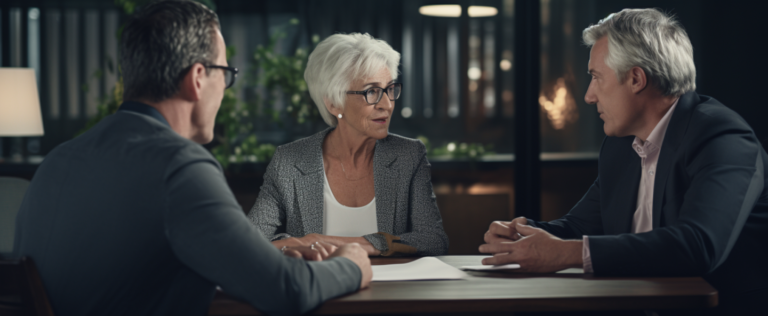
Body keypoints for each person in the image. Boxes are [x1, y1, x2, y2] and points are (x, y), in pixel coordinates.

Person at [13, 1, 371, 315]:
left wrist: (260, 261)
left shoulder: (57, 161)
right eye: (226, 74)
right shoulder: (178, 167)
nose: (225, 91)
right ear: (198, 78)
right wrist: (351, 263)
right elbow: (286, 290)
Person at [480, 8, 767, 314]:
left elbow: (698, 245)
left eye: (596, 77)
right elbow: (581, 227)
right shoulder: (620, 145)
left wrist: (565, 253)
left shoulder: (722, 137)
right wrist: (523, 235)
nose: (589, 96)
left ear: (635, 79)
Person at [248, 33, 448, 256]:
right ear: (334, 103)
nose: (387, 104)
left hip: (389, 281)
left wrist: (333, 242)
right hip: (319, 280)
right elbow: (248, 242)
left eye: (390, 89)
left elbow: (433, 240)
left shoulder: (408, 155)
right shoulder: (289, 161)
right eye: (371, 91)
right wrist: (299, 243)